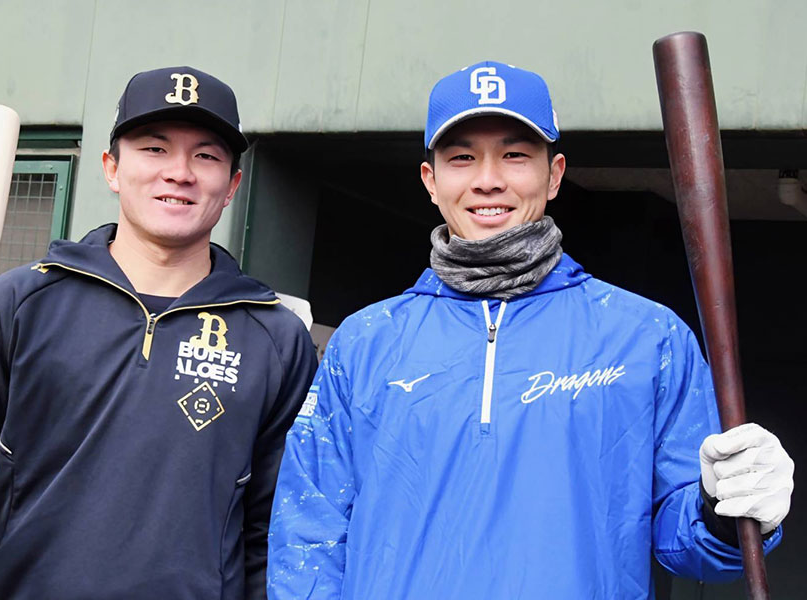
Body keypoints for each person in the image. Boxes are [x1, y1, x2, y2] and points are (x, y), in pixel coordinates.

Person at [266, 61, 794, 599]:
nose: (487, 179)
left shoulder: (648, 337)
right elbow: (307, 539)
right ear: (431, 180)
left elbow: (689, 542)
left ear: (555, 174)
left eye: (515, 155)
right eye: (462, 158)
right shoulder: (364, 342)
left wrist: (726, 509)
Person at [0, 66, 317, 600]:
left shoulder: (276, 337)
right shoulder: (21, 303)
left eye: (206, 156)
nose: (179, 173)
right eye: (154, 149)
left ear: (232, 185)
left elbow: (272, 535)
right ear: (112, 168)